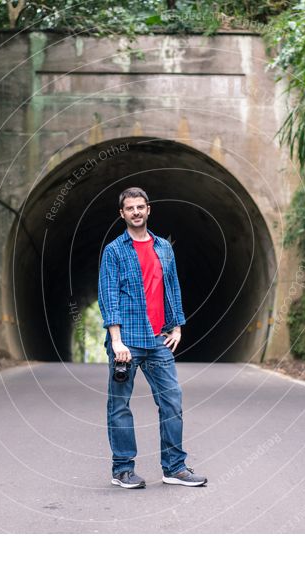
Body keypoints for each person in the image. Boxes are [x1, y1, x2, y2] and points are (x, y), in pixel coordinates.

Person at [97, 186, 207, 489]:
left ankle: (174, 468)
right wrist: (116, 341)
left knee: (172, 400)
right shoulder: (114, 251)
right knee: (120, 405)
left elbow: (172, 288)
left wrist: (177, 326)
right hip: (128, 342)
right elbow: (108, 296)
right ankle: (122, 469)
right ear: (122, 213)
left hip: (158, 340)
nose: (136, 212)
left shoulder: (163, 248)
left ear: (149, 210)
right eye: (130, 208)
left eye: (140, 207)